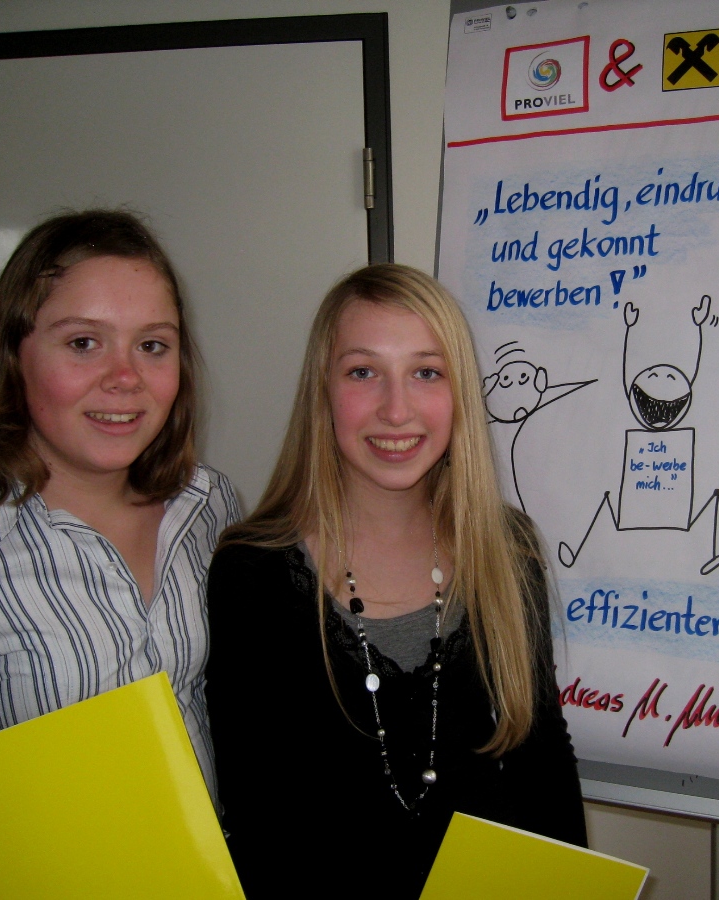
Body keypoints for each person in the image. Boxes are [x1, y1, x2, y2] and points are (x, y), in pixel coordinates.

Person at [0, 210, 240, 899]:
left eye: (152, 345)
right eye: (83, 343)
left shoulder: (209, 506)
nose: (125, 377)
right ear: (14, 357)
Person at [205, 264, 586, 898]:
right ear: (322, 392)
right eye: (363, 372)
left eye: (426, 373)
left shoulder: (506, 550)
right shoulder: (252, 573)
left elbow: (542, 765)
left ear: (459, 392)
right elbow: (256, 821)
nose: (396, 408)